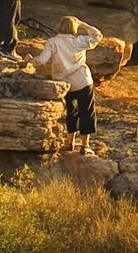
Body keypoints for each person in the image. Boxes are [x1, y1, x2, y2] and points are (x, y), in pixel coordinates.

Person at [36, 15, 105, 154]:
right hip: (83, 81)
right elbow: (98, 35)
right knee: (87, 111)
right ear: (74, 28)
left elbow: (42, 60)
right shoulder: (79, 41)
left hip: (64, 83)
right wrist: (83, 24)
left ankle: (70, 143)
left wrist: (32, 60)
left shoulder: (53, 42)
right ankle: (85, 146)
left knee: (71, 112)